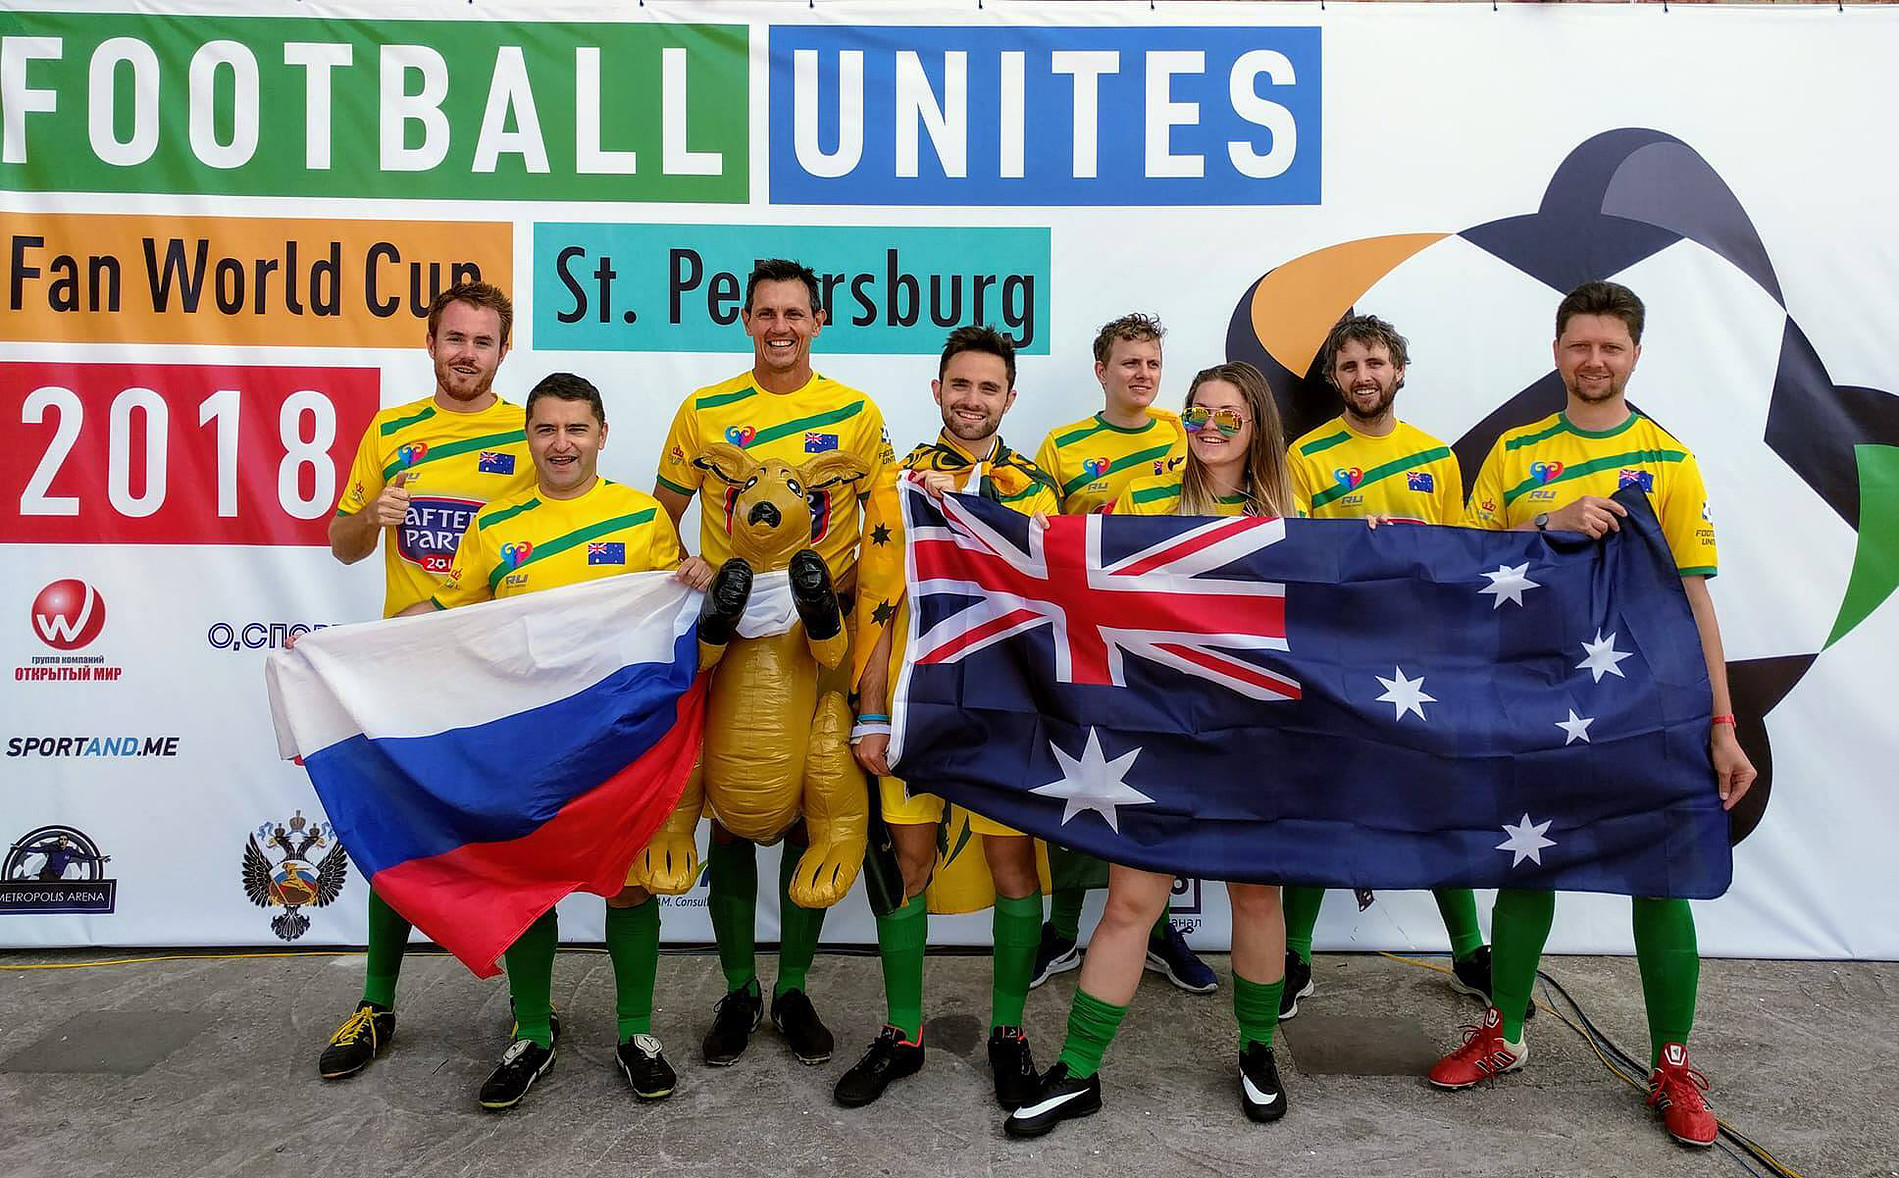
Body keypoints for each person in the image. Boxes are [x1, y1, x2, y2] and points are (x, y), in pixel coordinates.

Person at [1428, 281, 1755, 1149]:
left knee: (1662, 872)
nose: (1594, 360)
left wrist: (1723, 724)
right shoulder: (1514, 452)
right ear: (1556, 352)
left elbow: (1694, 598)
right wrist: (1551, 518)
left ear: (1634, 355)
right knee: (1524, 863)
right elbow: (1468, 565)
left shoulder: (1668, 460)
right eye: (1579, 345)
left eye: (1610, 347)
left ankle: (1672, 1064)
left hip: (1648, 703)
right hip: (1536, 694)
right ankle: (1504, 1031)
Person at [1006, 362, 1307, 1139]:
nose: (1209, 427)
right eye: (1197, 412)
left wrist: (1376, 545)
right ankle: (1077, 1072)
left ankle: (1257, 1050)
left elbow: (1327, 609)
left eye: (1227, 415)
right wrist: (962, 508)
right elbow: (1064, 559)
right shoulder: (1141, 500)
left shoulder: (1291, 516)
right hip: (1153, 733)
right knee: (1130, 905)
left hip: (1249, 738)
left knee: (1255, 899)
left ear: (1256, 425)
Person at [409, 372, 708, 1110]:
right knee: (526, 885)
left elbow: (673, 609)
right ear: (529, 437)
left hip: (618, 741)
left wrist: (698, 572)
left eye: (576, 429)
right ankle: (532, 1032)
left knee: (629, 881)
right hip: (529, 743)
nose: (561, 443)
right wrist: (343, 647)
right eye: (546, 429)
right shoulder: (494, 525)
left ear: (601, 435)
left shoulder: (641, 518)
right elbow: (446, 615)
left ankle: (636, 1032)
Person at [652, 258, 897, 1069]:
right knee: (727, 806)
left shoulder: (855, 413)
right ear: (746, 320)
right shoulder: (705, 410)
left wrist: (850, 595)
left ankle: (791, 988)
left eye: (795, 313)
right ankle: (737, 990)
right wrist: (684, 566)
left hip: (818, 638)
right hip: (727, 635)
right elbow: (659, 516)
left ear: (818, 321)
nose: (780, 327)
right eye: (766, 313)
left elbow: (886, 525)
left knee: (805, 804)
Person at [835, 326, 1061, 1111]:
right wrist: (869, 716)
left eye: (987, 387)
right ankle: (902, 1034)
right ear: (937, 390)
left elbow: (1047, 611)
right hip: (913, 707)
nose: (971, 400)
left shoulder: (1034, 489)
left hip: (1004, 714)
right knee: (908, 864)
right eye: (959, 385)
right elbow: (875, 608)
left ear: (1009, 397)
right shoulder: (896, 484)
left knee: (1013, 867)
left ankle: (1009, 1033)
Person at [316, 281, 534, 1081]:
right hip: (410, 667)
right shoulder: (392, 429)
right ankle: (376, 1003)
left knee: (512, 838)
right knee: (399, 836)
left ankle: (531, 1013)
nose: (466, 354)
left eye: (482, 341)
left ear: (503, 350)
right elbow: (341, 544)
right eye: (454, 338)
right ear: (431, 342)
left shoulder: (529, 432)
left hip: (499, 668)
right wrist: (369, 518)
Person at [1280, 314, 1492, 1019]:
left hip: (1420, 655)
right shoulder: (1306, 457)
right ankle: (1295, 956)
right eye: (1349, 366)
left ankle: (1468, 953)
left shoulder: (1436, 457)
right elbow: (1297, 558)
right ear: (1333, 378)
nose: (1363, 376)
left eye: (1374, 363)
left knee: (1436, 797)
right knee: (1319, 799)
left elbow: (1460, 559)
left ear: (1398, 370)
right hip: (1335, 654)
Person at [1029, 313, 1214, 996]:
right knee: (1083, 779)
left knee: (1160, 780)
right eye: (1129, 362)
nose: (1142, 374)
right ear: (1100, 370)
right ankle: (1061, 928)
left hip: (1168, 639)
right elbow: (1038, 537)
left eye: (1152, 363)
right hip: (1089, 638)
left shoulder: (1186, 432)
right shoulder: (1062, 445)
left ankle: (1160, 931)